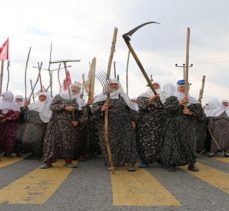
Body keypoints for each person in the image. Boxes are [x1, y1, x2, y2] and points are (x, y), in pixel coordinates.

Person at [93, 79, 139, 172]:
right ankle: (112, 162)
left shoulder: (123, 96)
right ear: (107, 86)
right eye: (111, 84)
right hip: (109, 124)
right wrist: (102, 108)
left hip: (124, 123)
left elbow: (131, 108)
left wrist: (133, 120)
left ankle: (131, 163)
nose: (114, 86)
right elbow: (94, 109)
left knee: (127, 142)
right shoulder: (102, 96)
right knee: (111, 143)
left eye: (116, 84)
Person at [159, 80, 205, 172]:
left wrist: (191, 112)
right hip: (173, 126)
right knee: (173, 145)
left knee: (189, 145)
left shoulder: (193, 100)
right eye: (181, 87)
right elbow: (167, 110)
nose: (183, 89)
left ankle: (191, 164)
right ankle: (172, 164)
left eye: (185, 87)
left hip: (188, 127)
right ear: (178, 88)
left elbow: (201, 115)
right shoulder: (172, 98)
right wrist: (179, 103)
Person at [40, 83, 83, 169]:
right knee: (51, 142)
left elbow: (81, 112)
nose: (75, 89)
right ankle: (48, 162)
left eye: (77, 88)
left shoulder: (79, 100)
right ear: (69, 88)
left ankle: (68, 162)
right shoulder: (59, 96)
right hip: (55, 123)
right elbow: (52, 107)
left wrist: (77, 120)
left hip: (68, 125)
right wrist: (64, 107)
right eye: (73, 87)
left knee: (68, 143)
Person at [136, 81, 165, 167]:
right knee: (146, 141)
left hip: (161, 122)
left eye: (157, 85)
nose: (155, 86)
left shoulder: (164, 96)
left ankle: (161, 159)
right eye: (153, 85)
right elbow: (141, 106)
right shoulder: (143, 95)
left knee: (160, 141)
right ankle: (145, 160)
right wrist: (150, 100)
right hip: (147, 124)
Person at [22, 92, 52, 159]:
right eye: (40, 96)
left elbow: (48, 116)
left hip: (41, 126)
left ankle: (39, 154)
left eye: (44, 96)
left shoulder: (49, 106)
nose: (42, 97)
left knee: (39, 140)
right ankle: (32, 153)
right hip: (31, 125)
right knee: (28, 138)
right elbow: (26, 113)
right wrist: (25, 108)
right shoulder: (33, 104)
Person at [0, 91, 20, 157]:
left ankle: (8, 152)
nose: (3, 97)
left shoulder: (15, 104)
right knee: (1, 137)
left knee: (10, 138)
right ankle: (2, 151)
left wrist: (6, 118)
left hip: (11, 125)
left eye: (4, 96)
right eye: (3, 96)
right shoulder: (0, 102)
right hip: (1, 124)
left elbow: (16, 115)